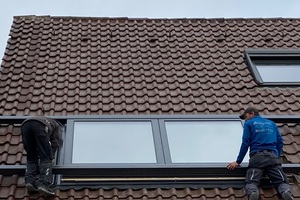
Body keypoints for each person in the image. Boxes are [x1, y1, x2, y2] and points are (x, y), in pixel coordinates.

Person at [227, 107, 294, 200]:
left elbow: (245, 143)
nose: (245, 119)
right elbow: (280, 142)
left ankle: (253, 192)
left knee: (252, 181)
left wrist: (238, 161)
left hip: (257, 157)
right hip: (272, 157)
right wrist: (276, 156)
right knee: (281, 181)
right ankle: (286, 192)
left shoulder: (249, 124)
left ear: (252, 114)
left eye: (245, 116)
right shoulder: (272, 124)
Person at [21, 116, 63, 196]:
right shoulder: (57, 126)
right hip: (40, 125)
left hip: (25, 125)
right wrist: (51, 155)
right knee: (46, 157)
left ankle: (29, 181)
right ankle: (44, 184)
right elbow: (55, 142)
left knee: (31, 157)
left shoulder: (47, 120)